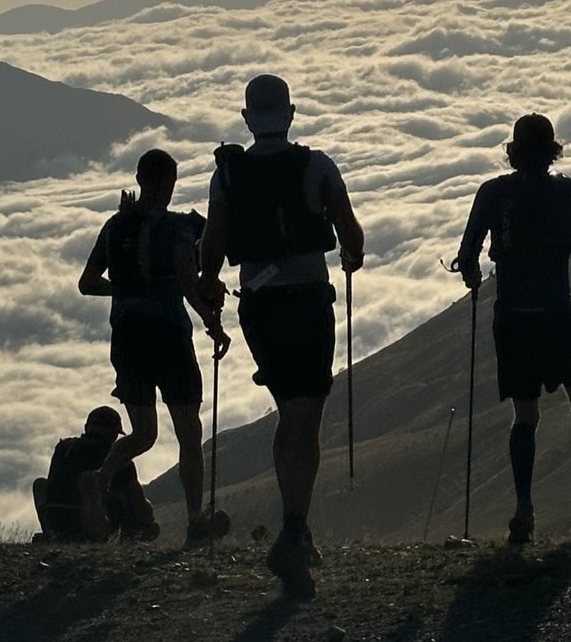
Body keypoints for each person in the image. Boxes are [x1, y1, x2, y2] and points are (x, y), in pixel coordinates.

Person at [199, 74, 365, 598]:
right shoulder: (317, 165)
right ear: (289, 114)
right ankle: (291, 533)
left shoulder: (227, 175)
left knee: (288, 411)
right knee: (306, 414)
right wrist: (353, 256)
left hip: (259, 305)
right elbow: (349, 233)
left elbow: (214, 241)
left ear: (248, 119)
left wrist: (208, 287)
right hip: (308, 298)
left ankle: (298, 525)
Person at [455, 113, 571, 545]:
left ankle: (523, 508)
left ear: (514, 153)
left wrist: (473, 276)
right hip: (557, 313)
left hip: (513, 316)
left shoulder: (494, 193)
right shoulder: (567, 192)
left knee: (525, 415)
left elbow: (468, 253)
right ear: (553, 149)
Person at [78, 148, 231, 546]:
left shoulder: (114, 227)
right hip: (167, 336)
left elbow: (88, 282)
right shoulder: (178, 228)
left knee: (143, 433)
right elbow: (186, 278)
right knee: (187, 433)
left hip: (127, 338)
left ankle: (100, 478)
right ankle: (196, 519)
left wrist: (126, 291)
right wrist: (212, 323)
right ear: (165, 183)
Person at [32, 405, 160, 543]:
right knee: (141, 516)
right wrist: (149, 521)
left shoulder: (63, 448)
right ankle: (102, 537)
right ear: (113, 433)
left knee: (40, 484)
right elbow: (139, 503)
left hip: (57, 524)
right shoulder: (115, 456)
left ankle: (53, 534)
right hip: (90, 528)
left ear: (87, 427)